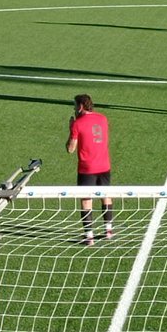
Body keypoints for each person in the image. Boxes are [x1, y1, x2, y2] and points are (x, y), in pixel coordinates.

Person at [66, 94, 114, 244]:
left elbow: (70, 149)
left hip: (87, 169)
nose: (74, 109)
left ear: (80, 107)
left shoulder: (77, 124)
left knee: (86, 200)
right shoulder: (103, 118)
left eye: (75, 106)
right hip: (104, 165)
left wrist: (71, 129)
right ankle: (108, 231)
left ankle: (89, 237)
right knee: (105, 195)